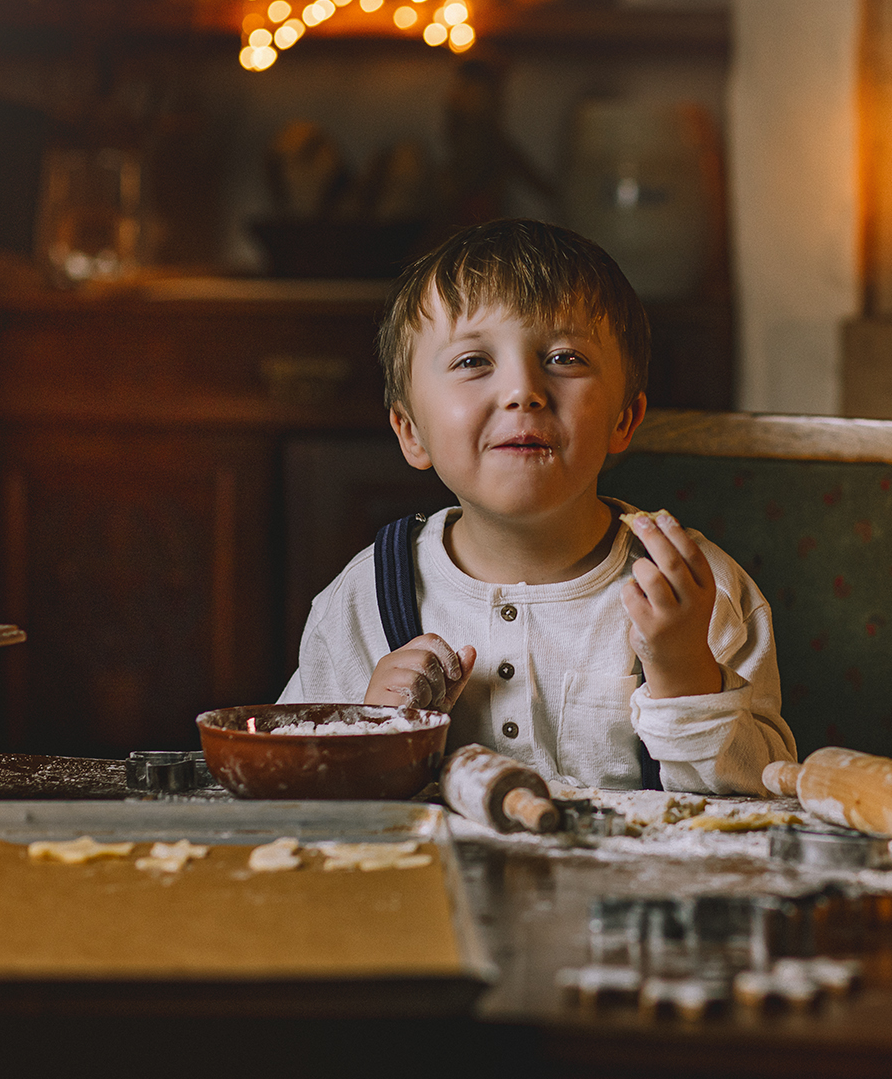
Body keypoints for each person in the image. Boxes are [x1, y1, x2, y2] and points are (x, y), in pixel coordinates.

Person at [280, 219, 796, 794]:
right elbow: (302, 792)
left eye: (565, 357)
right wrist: (372, 730)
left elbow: (767, 798)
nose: (523, 390)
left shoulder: (701, 593)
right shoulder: (364, 599)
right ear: (411, 433)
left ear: (623, 419)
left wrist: (686, 674)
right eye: (474, 361)